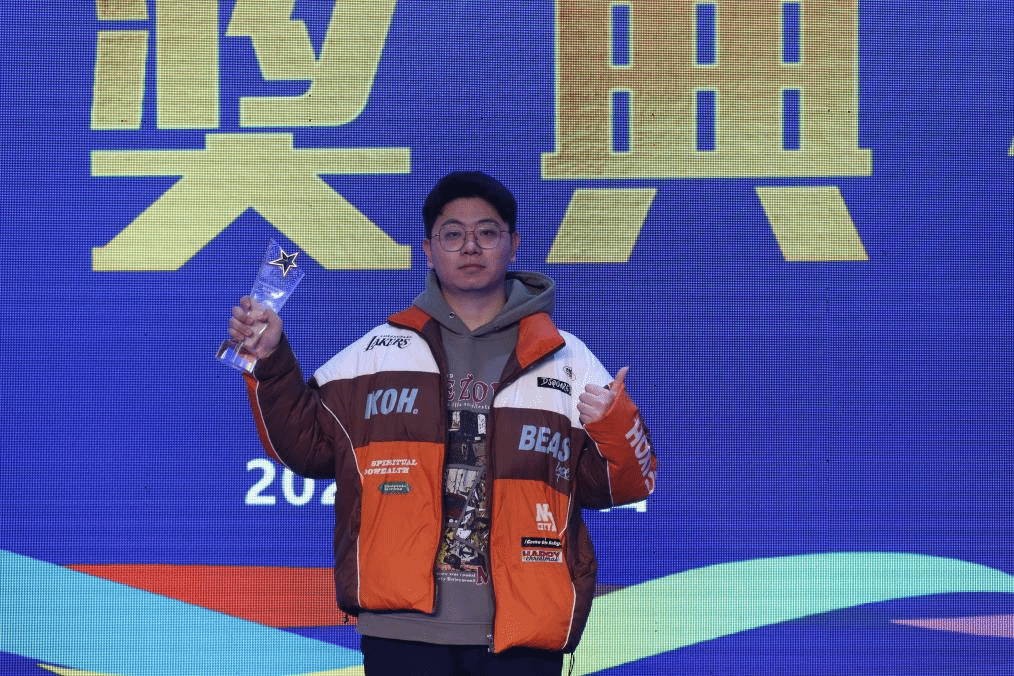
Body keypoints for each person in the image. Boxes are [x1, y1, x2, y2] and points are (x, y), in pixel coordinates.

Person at [229, 171, 657, 676]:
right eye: (453, 234)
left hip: (522, 630)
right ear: (429, 251)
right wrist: (270, 360)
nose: (470, 246)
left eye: (487, 232)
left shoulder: (568, 359)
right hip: (402, 628)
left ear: (514, 244)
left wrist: (613, 424)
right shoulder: (378, 351)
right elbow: (306, 446)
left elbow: (626, 484)